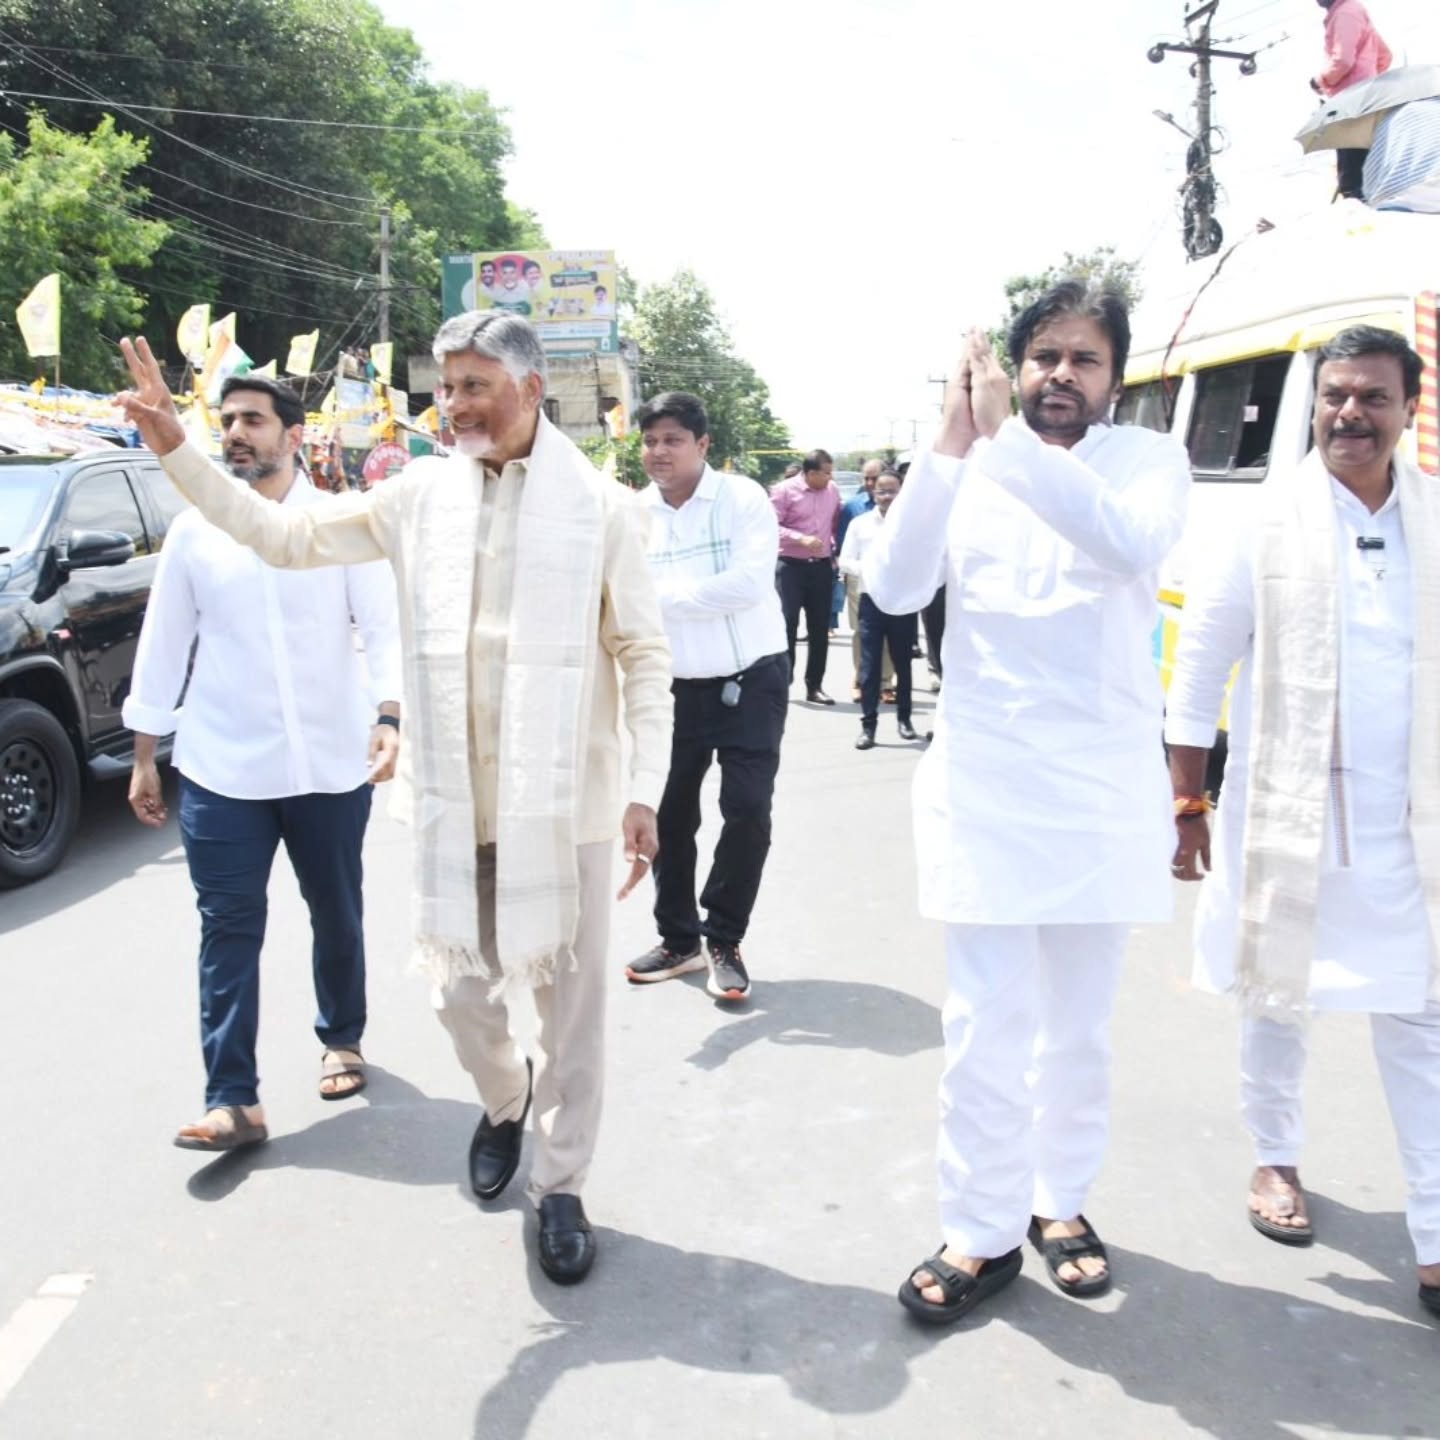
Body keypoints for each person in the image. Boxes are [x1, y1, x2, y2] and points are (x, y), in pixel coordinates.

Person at [116, 312, 672, 1288]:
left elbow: (643, 655)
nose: (451, 406)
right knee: (459, 999)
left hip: (567, 811)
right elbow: (284, 535)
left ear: (530, 390)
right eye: (443, 387)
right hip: (459, 808)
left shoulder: (605, 509)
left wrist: (644, 791)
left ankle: (560, 1186)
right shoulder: (416, 497)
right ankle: (505, 1100)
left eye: (473, 386)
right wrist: (177, 451)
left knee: (572, 1021)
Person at [866, 281, 1191, 1325]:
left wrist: (1002, 442)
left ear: (1116, 378)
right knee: (983, 1029)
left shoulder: (1148, 461)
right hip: (987, 794)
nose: (1061, 375)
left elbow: (1126, 543)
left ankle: (1060, 1202)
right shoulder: (965, 462)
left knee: (1077, 1033)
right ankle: (981, 1227)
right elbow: (894, 589)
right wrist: (949, 442)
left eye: (1085, 359)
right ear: (1013, 368)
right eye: (1044, 356)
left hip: (1100, 797)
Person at [1166, 325, 1440, 1320]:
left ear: (1409, 409)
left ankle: (1436, 1230)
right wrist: (1188, 802)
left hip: (1412, 824)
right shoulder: (1265, 519)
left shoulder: (1433, 517)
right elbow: (1201, 666)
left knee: (1424, 1013)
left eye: (1373, 397)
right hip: (1286, 814)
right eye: (1335, 395)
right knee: (1277, 998)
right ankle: (1275, 1157)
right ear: (1315, 403)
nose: (1349, 414)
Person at [124, 374, 403, 1152]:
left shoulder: (339, 523)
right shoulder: (193, 533)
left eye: (253, 419)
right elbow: (164, 643)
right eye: (228, 420)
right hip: (223, 767)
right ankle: (232, 1099)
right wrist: (144, 754)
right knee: (227, 926)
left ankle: (341, 1036)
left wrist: (389, 716)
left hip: (329, 763)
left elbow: (384, 628)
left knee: (335, 909)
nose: (236, 432)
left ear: (294, 434)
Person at [625, 392, 788, 1003]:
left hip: (752, 680)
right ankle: (679, 940)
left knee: (747, 811)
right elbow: (618, 597)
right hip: (670, 690)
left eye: (672, 439)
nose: (658, 452)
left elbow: (746, 585)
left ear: (702, 444)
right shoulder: (633, 514)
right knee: (668, 817)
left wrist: (656, 599)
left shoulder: (742, 499)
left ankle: (723, 937)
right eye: (649, 441)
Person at [838, 468, 918, 749]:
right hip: (871, 600)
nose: (886, 496)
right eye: (881, 491)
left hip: (901, 602)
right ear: (873, 493)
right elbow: (845, 560)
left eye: (892, 491)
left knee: (903, 663)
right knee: (870, 666)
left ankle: (905, 719)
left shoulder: (911, 524)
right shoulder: (860, 524)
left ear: (902, 493)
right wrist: (869, 569)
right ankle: (868, 726)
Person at [771, 448, 841, 704]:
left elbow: (835, 522)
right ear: (810, 473)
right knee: (787, 623)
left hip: (820, 567)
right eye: (826, 473)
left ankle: (815, 686)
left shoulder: (832, 491)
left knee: (820, 628)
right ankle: (783, 681)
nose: (830, 478)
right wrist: (799, 538)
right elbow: (771, 525)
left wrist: (832, 545)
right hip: (790, 566)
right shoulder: (783, 491)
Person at [1311, 0, 1392, 200]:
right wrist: (1369, 80)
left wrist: (1320, 80)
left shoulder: (1344, 13)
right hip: (1365, 100)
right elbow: (1385, 56)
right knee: (1364, 171)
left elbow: (1343, 60)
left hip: (1350, 103)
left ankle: (1358, 211)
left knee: (1351, 182)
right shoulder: (1353, 10)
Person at [837, 458, 894, 701]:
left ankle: (886, 683)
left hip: (893, 582)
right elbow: (843, 549)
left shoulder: (902, 510)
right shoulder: (853, 507)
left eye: (875, 478)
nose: (870, 483)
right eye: (866, 478)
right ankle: (861, 679)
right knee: (862, 632)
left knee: (890, 633)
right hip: (860, 581)